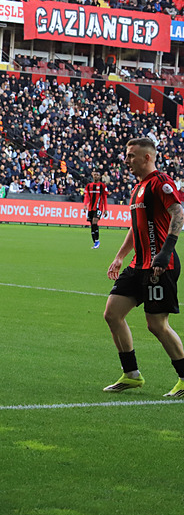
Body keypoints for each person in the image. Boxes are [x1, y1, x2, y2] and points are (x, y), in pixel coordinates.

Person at [103, 138, 184, 398]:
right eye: (127, 156)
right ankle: (132, 375)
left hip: (160, 265)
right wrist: (120, 256)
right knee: (112, 314)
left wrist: (166, 251)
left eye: (131, 156)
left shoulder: (161, 182)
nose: (127, 160)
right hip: (139, 264)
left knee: (157, 325)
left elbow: (178, 213)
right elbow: (136, 226)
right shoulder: (139, 187)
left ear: (147, 157)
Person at [83, 170, 108, 249]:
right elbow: (87, 196)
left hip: (98, 207)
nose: (96, 176)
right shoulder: (89, 186)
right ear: (93, 176)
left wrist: (106, 209)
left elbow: (104, 198)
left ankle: (97, 241)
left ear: (100, 176)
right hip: (91, 208)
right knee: (92, 224)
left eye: (97, 175)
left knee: (94, 221)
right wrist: (85, 205)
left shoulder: (102, 186)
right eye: (95, 175)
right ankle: (95, 242)